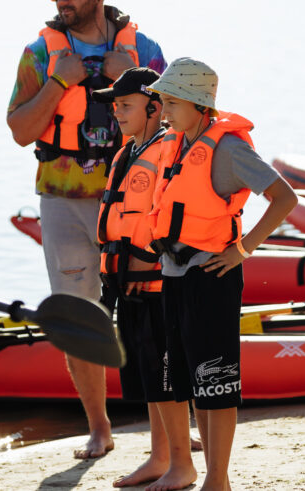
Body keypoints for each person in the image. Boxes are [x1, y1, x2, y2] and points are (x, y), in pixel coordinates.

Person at [6, 0, 166, 459]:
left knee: (150, 315)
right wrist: (59, 83)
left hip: (134, 199)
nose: (63, 2)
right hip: (64, 201)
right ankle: (100, 429)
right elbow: (20, 131)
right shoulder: (39, 53)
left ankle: (167, 432)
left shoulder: (144, 50)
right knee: (79, 318)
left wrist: (139, 80)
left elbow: (179, 125)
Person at [147, 58, 297, 491]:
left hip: (212, 275)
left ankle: (219, 478)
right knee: (190, 380)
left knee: (215, 379)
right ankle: (211, 474)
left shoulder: (228, 149)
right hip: (174, 275)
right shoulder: (176, 144)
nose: (164, 110)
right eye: (162, 101)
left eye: (172, 102)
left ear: (198, 105)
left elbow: (284, 198)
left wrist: (243, 249)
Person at [92, 67, 197, 490]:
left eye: (125, 104)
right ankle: (158, 458)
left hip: (155, 283)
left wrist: (143, 263)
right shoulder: (126, 153)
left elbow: (171, 219)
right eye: (114, 105)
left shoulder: (167, 150)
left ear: (155, 107)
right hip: (127, 285)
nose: (116, 112)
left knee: (167, 382)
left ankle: (182, 464)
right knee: (150, 383)